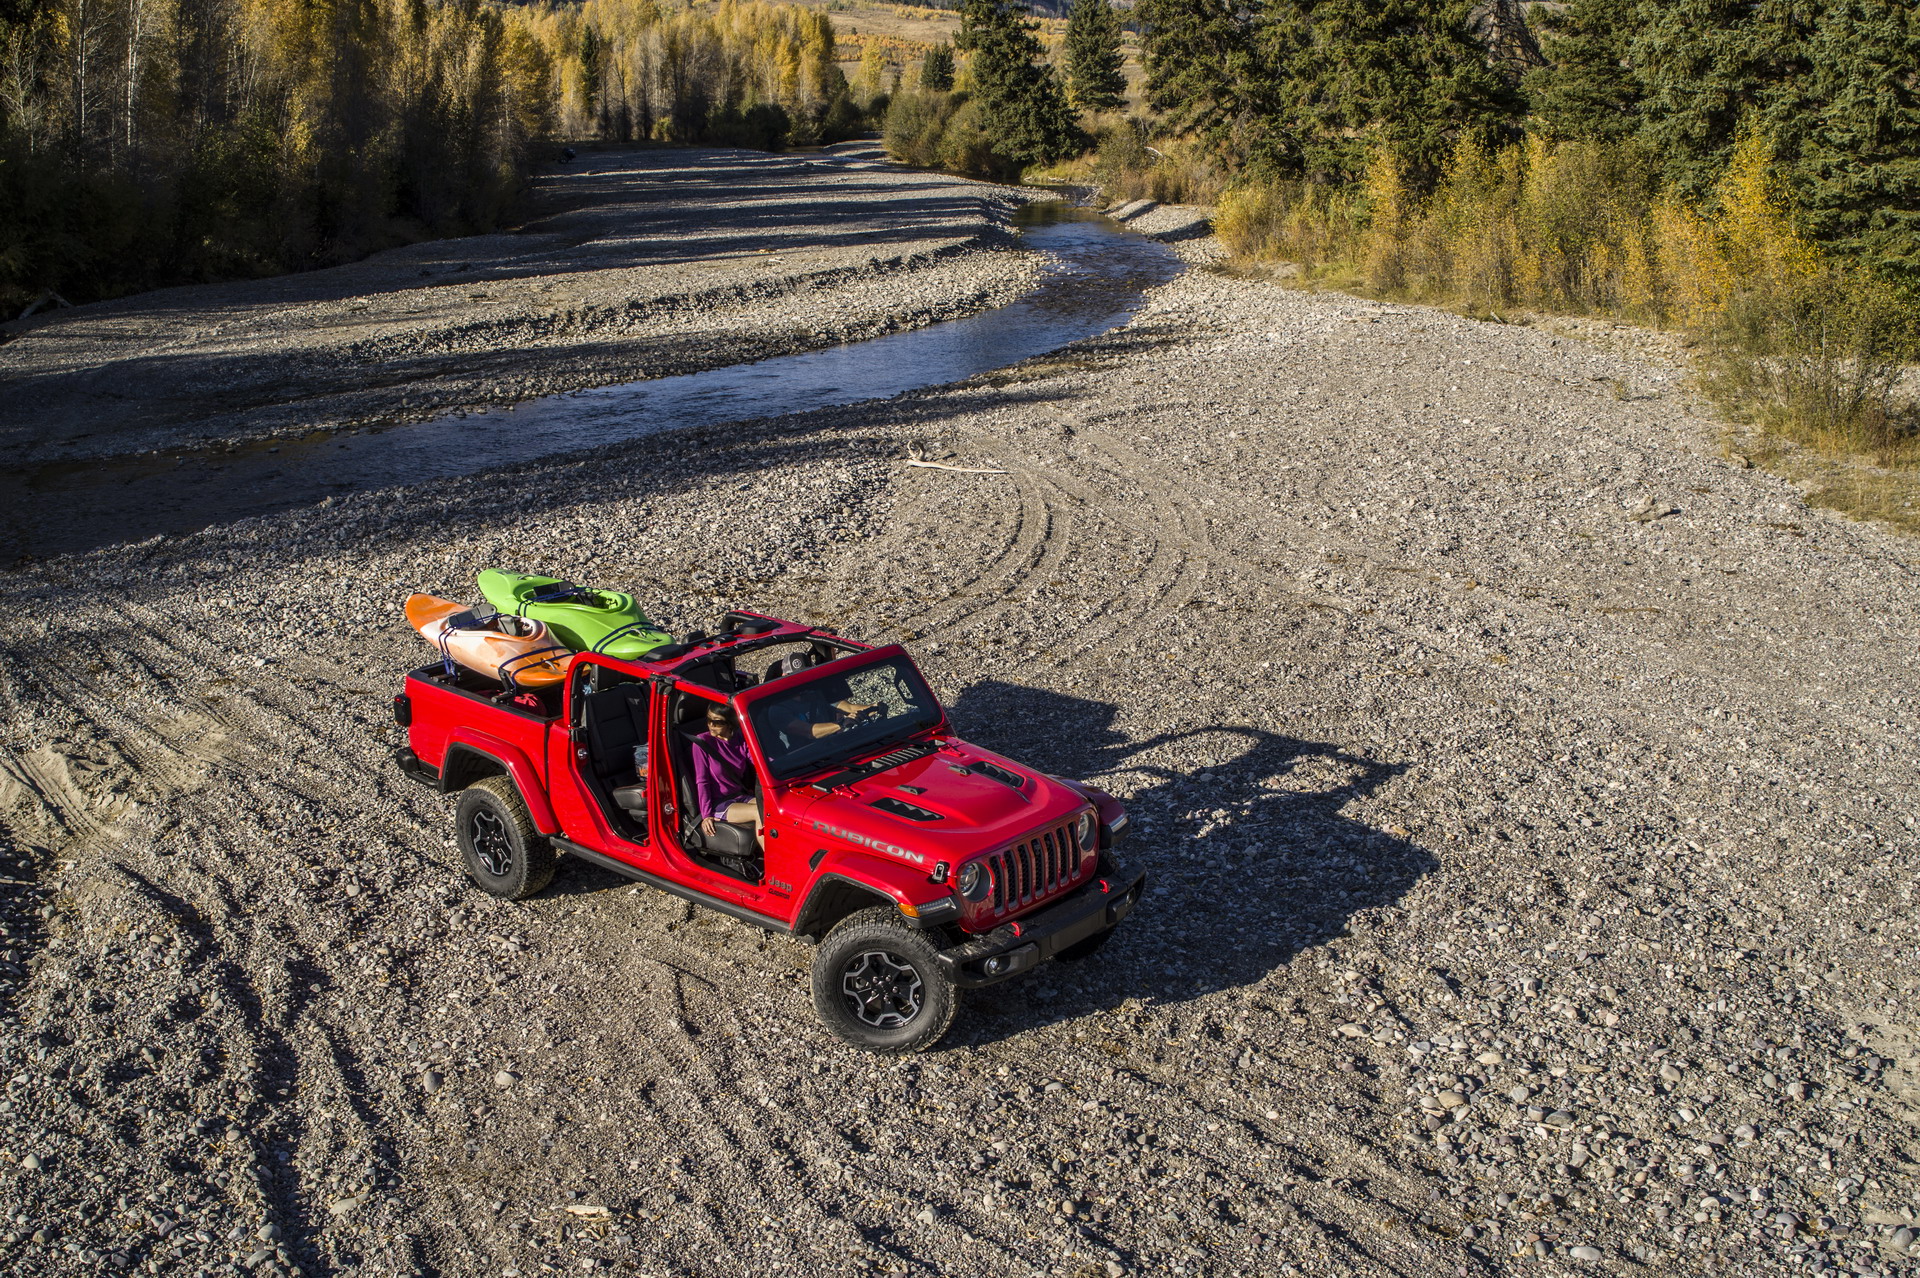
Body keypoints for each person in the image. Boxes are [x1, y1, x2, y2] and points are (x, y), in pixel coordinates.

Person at [691, 704, 761, 844]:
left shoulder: (740, 739)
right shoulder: (702, 742)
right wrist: (706, 815)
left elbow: (758, 762)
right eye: (709, 719)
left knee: (772, 810)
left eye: (717, 722)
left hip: (740, 796)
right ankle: (772, 858)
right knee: (759, 813)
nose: (711, 725)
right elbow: (702, 781)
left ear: (730, 723)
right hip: (719, 803)